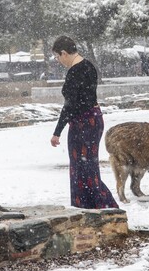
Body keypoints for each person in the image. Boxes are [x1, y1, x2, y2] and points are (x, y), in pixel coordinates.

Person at [50, 36, 119, 209]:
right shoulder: (89, 66)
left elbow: (70, 106)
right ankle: (98, 206)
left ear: (64, 53)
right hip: (94, 119)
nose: (58, 61)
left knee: (81, 169)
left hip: (82, 124)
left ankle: (97, 207)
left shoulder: (75, 71)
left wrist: (57, 131)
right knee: (89, 167)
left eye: (58, 57)